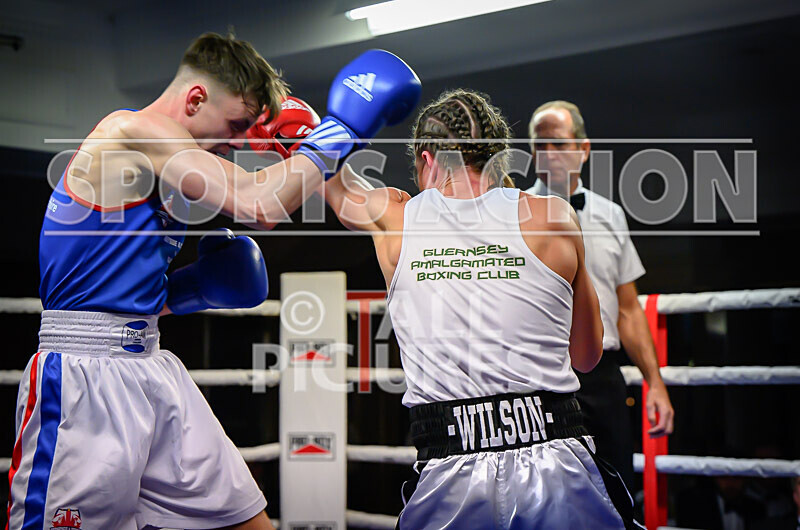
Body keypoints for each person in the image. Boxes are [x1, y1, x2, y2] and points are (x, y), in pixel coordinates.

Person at [7, 32, 420, 529]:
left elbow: (121, 293)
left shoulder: (164, 172)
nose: (238, 143)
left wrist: (194, 288)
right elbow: (258, 204)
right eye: (236, 124)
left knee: (246, 522)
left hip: (151, 365)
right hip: (83, 378)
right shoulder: (132, 131)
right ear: (197, 98)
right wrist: (338, 131)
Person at [324, 89, 642, 528]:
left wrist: (329, 128)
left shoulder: (398, 217)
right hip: (557, 464)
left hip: (449, 470)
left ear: (427, 158)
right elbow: (587, 356)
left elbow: (331, 182)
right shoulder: (555, 215)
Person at [525, 100, 674, 487]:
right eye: (539, 145)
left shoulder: (611, 215)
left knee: (618, 492)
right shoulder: (512, 215)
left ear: (583, 148)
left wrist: (654, 382)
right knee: (548, 497)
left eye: (558, 143)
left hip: (605, 377)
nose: (548, 154)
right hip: (542, 375)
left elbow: (628, 309)